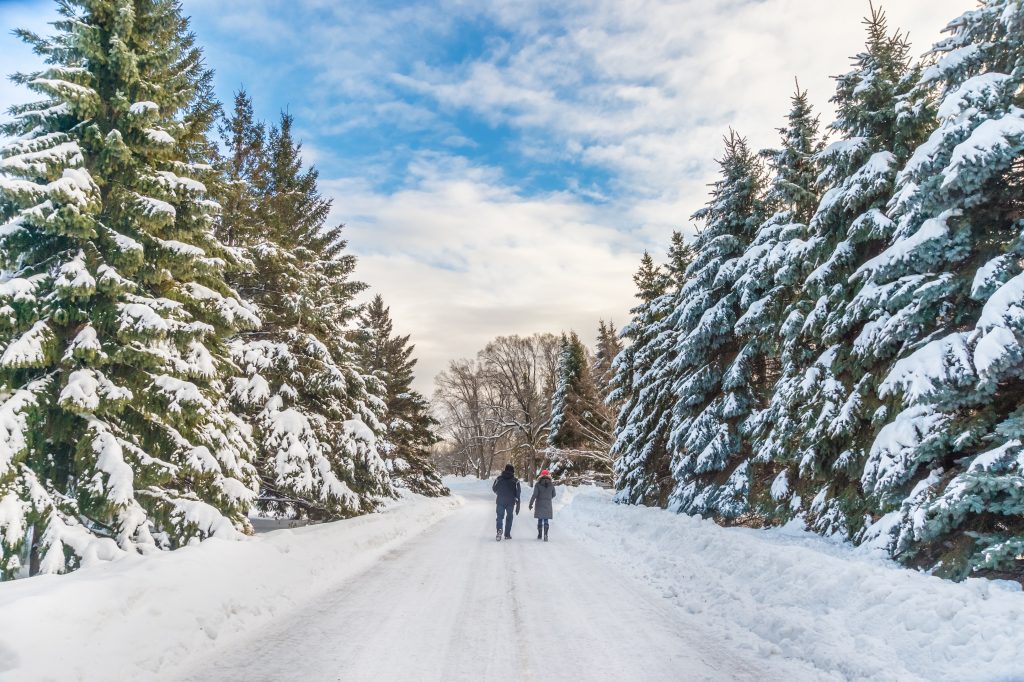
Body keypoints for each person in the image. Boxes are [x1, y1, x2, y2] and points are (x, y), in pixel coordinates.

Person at [492, 463, 521, 541]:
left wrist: (499, 493)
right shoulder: (516, 481)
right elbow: (518, 493)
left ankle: (499, 530)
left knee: (499, 517)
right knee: (509, 518)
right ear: (512, 471)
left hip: (500, 500)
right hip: (511, 502)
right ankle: (507, 534)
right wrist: (518, 502)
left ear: (505, 470)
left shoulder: (499, 478)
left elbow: (494, 488)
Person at [529, 469, 556, 541]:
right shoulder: (551, 485)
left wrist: (530, 504)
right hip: (548, 504)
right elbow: (554, 494)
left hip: (539, 504)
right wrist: (548, 498)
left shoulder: (538, 484)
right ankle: (546, 535)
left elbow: (534, 495)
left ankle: (540, 534)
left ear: (541, 475)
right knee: (546, 519)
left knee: (540, 519)